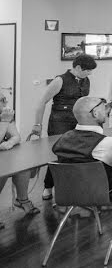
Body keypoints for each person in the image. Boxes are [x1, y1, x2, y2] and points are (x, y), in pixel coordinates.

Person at [29, 53, 96, 200]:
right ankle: (48, 187)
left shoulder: (86, 80)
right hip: (59, 123)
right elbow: (41, 102)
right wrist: (37, 124)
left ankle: (71, 189)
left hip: (78, 122)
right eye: (87, 70)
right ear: (78, 67)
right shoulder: (60, 80)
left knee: (76, 155)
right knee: (59, 156)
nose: (90, 73)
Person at [51, 96, 112, 206]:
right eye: (104, 108)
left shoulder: (62, 139)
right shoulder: (107, 143)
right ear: (95, 113)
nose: (107, 111)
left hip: (66, 193)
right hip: (103, 193)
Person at [0, 94, 40, 220]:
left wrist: (10, 142)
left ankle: (22, 199)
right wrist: (4, 122)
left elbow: (16, 136)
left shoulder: (5, 114)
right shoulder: (5, 117)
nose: (5, 103)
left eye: (4, 99)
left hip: (3, 154)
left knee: (23, 166)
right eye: (2, 100)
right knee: (3, 172)